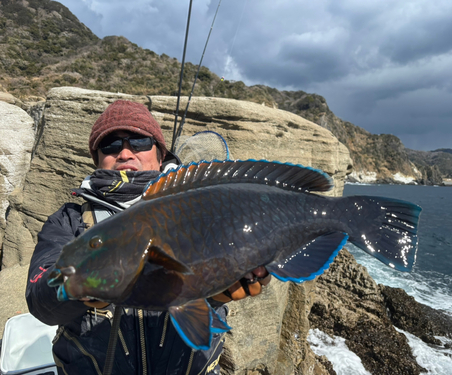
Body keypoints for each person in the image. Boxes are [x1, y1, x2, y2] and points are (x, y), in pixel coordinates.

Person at [26, 100, 271, 375]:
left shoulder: (196, 208)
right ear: (97, 158)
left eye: (140, 141)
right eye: (110, 145)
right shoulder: (69, 219)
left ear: (159, 152)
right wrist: (76, 287)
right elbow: (40, 300)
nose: (126, 152)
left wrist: (218, 292)